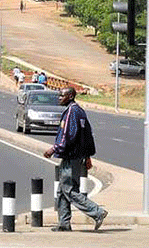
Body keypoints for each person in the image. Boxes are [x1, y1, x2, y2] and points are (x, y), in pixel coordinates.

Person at [44, 87, 107, 232]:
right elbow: (86, 136)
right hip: (77, 156)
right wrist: (87, 156)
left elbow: (68, 136)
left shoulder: (72, 112)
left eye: (62, 95)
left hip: (71, 156)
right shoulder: (79, 111)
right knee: (61, 191)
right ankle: (64, 223)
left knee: (70, 190)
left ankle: (97, 212)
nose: (59, 98)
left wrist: (54, 149)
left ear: (71, 96)